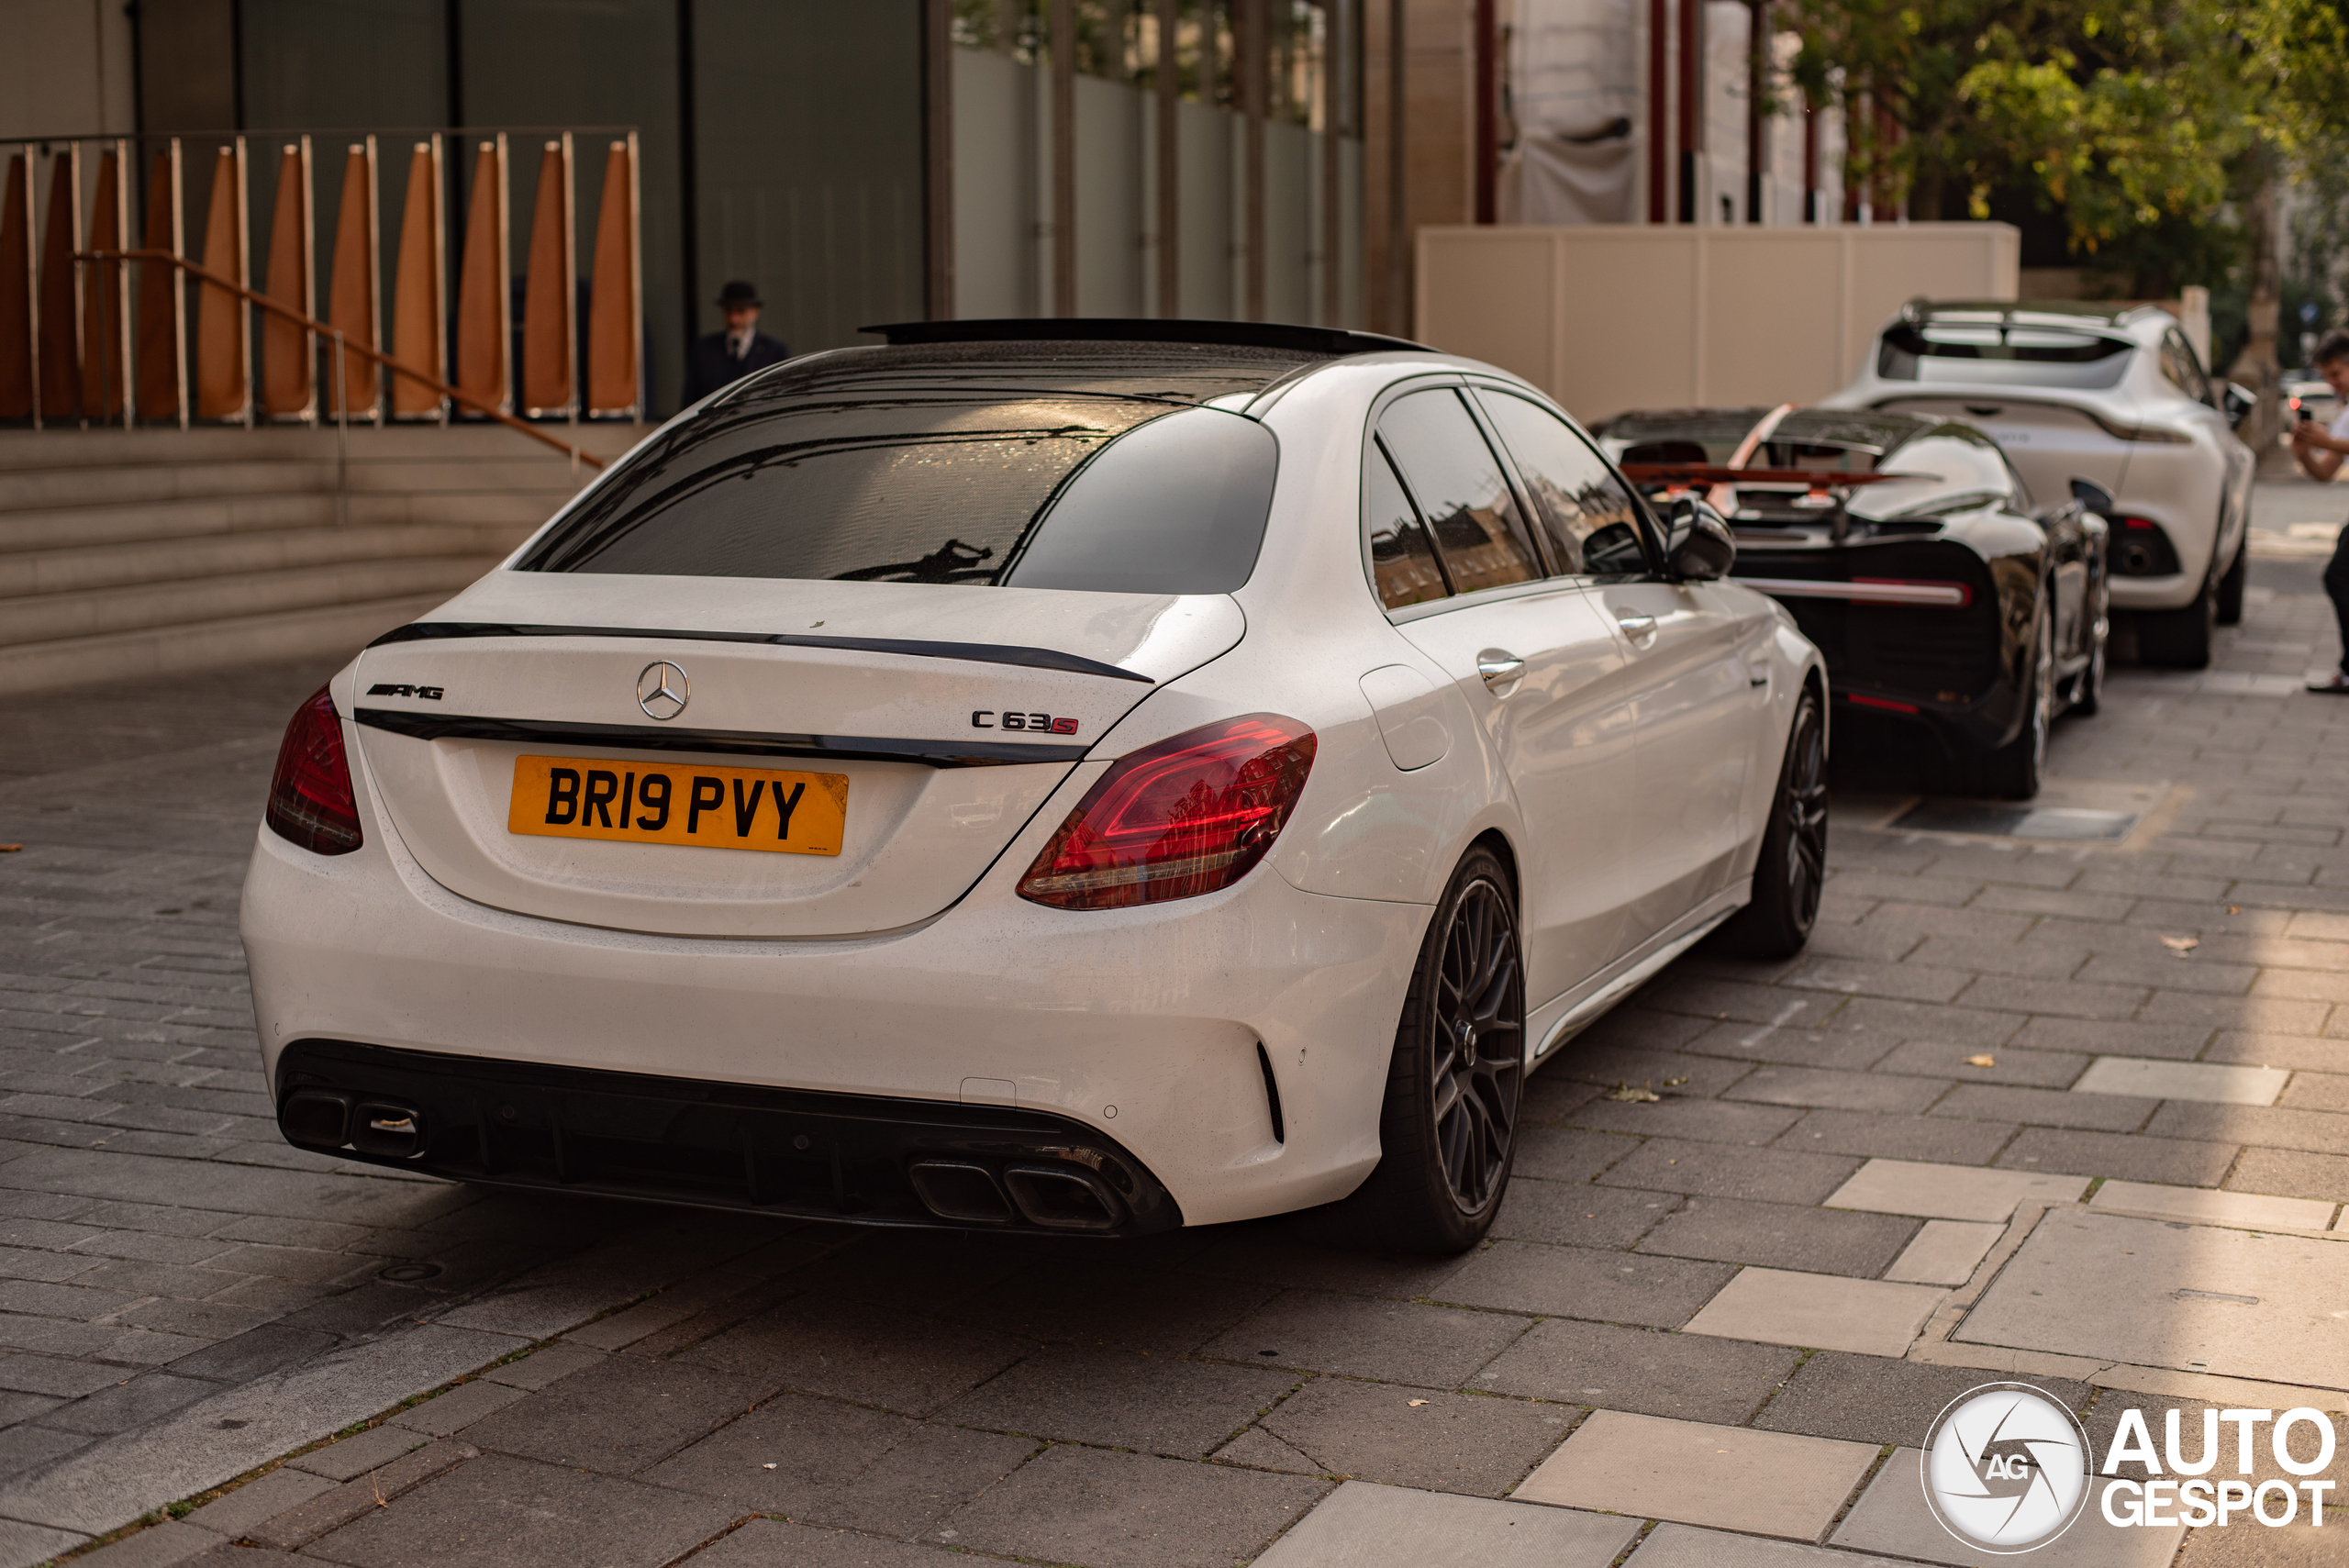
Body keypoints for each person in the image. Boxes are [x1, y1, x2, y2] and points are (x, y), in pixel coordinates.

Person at [2288, 329, 2349, 692]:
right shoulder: (2345, 414)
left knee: (2339, 576)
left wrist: (2328, 441)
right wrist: (2305, 454)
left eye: (2336, 374)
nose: (2332, 383)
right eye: (2327, 376)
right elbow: (2326, 472)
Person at [684, 281, 790, 404]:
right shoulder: (704, 349)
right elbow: (689, 400)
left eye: (740, 311)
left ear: (755, 312)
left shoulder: (775, 352)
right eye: (729, 311)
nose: (734, 319)